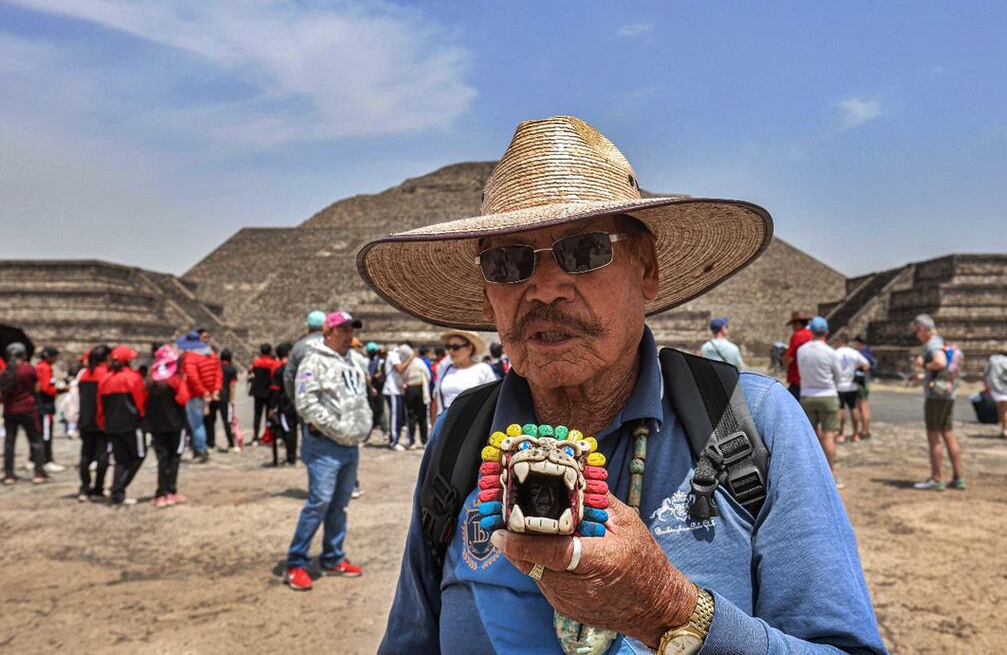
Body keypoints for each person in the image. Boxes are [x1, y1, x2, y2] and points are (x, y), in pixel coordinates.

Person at [363, 116, 884, 653]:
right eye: (507, 261)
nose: (543, 288)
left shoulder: (752, 422)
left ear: (648, 268)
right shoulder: (460, 437)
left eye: (584, 251)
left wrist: (671, 611)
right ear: (487, 291)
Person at [284, 311, 373, 591]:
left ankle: (332, 556)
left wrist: (362, 425)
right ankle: (296, 561)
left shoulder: (355, 361)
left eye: (351, 330)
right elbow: (306, 404)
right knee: (319, 502)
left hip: (350, 445)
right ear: (329, 332)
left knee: (340, 504)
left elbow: (360, 397)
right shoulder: (313, 361)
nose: (349, 335)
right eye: (343, 330)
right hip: (324, 444)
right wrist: (337, 428)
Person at [912, 314, 965, 491]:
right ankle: (958, 477)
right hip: (947, 394)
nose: (916, 336)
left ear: (921, 329)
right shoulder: (941, 342)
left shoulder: (932, 345)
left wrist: (923, 365)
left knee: (934, 436)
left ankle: (936, 478)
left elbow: (940, 362)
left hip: (935, 398)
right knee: (948, 433)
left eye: (917, 331)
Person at [796, 316, 844, 486]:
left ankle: (811, 474)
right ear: (826, 332)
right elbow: (838, 376)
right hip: (827, 394)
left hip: (807, 395)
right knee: (829, 436)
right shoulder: (830, 352)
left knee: (811, 437)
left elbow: (801, 372)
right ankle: (830, 475)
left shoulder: (801, 350)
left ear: (811, 332)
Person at [97, 345, 147, 506]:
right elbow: (141, 403)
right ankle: (118, 488)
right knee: (139, 456)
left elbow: (100, 407)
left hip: (112, 425)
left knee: (121, 460)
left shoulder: (105, 379)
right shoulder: (133, 378)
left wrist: (103, 423)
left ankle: (118, 492)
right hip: (131, 425)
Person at [144, 346, 190, 508]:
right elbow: (184, 399)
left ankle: (160, 493)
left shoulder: (150, 382)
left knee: (162, 459)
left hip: (156, 425)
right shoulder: (176, 380)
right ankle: (170, 490)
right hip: (176, 424)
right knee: (175, 457)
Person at [2, 343, 48, 484]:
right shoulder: (28, 369)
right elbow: (37, 388)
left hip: (9, 410)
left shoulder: (5, 372)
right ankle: (38, 472)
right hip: (27, 409)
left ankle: (9, 474)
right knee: (35, 440)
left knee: (9, 442)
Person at [432, 330, 497, 419]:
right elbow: (437, 399)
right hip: (445, 423)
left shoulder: (483, 369)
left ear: (469, 348)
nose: (450, 351)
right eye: (448, 347)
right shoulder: (444, 369)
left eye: (455, 347)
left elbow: (493, 400)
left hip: (472, 423)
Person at [75, 345, 111, 501]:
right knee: (102, 455)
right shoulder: (106, 375)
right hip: (101, 420)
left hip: (85, 419)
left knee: (85, 455)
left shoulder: (84, 375)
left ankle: (84, 487)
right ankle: (98, 488)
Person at [178, 331, 220, 463]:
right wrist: (215, 390)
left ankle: (201, 450)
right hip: (208, 392)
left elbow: (192, 376)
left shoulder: (190, 356)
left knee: (196, 425)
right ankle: (200, 448)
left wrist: (202, 391)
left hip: (195, 394)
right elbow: (218, 373)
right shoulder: (212, 354)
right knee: (201, 423)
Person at [34, 346, 68, 472]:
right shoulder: (45, 368)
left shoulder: (40, 366)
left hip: (42, 405)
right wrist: (61, 389)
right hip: (45, 406)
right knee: (46, 434)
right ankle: (46, 460)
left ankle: (36, 459)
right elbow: (46, 388)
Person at [834, 333, 871, 443]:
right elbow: (867, 365)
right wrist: (857, 370)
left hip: (839, 385)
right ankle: (855, 434)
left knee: (841, 409)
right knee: (853, 408)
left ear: (840, 341)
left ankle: (841, 433)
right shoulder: (854, 353)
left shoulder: (835, 353)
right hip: (852, 385)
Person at [284, 310, 325, 397]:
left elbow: (289, 376)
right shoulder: (332, 344)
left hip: (306, 395)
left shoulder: (299, 346)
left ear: (308, 326)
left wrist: (294, 398)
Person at [269, 342, 298, 466]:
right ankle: (293, 455)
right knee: (294, 430)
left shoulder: (279, 371)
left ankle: (290, 457)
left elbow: (275, 391)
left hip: (284, 405)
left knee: (288, 431)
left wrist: (271, 407)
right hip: (296, 404)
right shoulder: (296, 369)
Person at [382, 342, 415, 450]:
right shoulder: (393, 354)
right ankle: (393, 441)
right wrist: (410, 359)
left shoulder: (398, 356)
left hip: (397, 390)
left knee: (399, 417)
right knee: (395, 417)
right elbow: (399, 368)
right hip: (392, 390)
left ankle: (395, 439)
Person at [204, 349, 238, 452]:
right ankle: (231, 444)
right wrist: (232, 399)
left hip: (213, 395)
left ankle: (210, 443)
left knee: (210, 421)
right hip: (224, 397)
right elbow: (232, 385)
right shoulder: (232, 369)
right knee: (227, 421)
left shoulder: (215, 368)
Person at [247, 344, 280, 446]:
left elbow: (250, 371)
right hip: (269, 392)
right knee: (268, 415)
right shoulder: (273, 363)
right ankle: (268, 436)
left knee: (257, 415)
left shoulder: (256, 362)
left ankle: (255, 437)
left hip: (257, 392)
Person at [403, 344, 432, 448]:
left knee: (411, 416)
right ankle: (424, 441)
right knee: (422, 416)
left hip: (410, 390)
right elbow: (428, 375)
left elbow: (403, 376)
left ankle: (412, 441)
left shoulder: (406, 363)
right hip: (420, 389)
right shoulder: (420, 362)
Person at [781, 310, 813, 400]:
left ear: (798, 323)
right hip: (810, 378)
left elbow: (789, 358)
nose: (793, 328)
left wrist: (783, 359)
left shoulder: (797, 335)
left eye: (793, 325)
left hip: (797, 379)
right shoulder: (812, 334)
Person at [852, 336, 877, 439]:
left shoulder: (862, 353)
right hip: (866, 381)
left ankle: (864, 431)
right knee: (864, 406)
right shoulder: (868, 351)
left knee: (862, 407)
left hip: (861, 382)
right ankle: (865, 430)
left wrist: (857, 368)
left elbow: (867, 366)